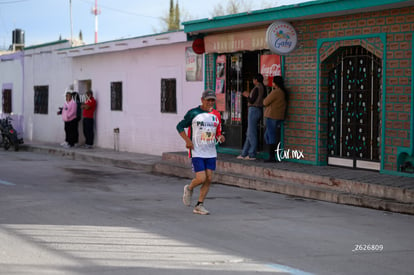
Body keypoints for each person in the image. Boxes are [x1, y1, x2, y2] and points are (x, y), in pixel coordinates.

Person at [176, 90, 225, 215]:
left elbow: (218, 132)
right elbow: (180, 126)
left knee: (209, 178)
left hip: (210, 151)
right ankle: (189, 188)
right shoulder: (193, 113)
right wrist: (187, 141)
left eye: (212, 100)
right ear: (202, 100)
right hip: (196, 150)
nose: (210, 102)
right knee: (201, 178)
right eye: (208, 100)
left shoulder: (217, 115)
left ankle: (199, 205)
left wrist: (220, 137)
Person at [237, 73, 265, 160]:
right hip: (257, 110)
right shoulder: (262, 88)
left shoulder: (257, 88)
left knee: (251, 133)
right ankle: (244, 153)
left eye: (253, 79)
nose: (253, 81)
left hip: (254, 110)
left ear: (256, 80)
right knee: (249, 132)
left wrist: (247, 95)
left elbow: (252, 100)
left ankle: (252, 153)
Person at [263, 76, 288, 162]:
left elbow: (265, 101)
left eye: (273, 82)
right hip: (277, 116)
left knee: (270, 136)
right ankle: (272, 155)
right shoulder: (282, 92)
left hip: (272, 116)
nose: (272, 83)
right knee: (268, 135)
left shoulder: (276, 92)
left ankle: (272, 156)